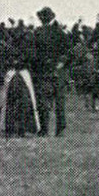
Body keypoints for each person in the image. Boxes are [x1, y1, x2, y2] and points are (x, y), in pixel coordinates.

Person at [31, 7, 68, 136]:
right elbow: (68, 52)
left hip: (43, 71)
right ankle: (60, 129)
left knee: (43, 102)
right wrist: (61, 63)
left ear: (41, 19)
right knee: (59, 102)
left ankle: (44, 129)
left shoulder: (37, 32)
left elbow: (33, 54)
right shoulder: (60, 32)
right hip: (58, 71)